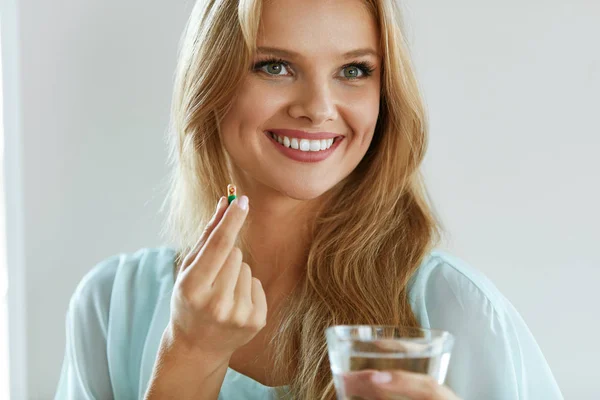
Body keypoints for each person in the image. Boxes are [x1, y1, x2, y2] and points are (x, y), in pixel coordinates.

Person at [54, 0, 564, 399]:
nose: (319, 109)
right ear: (210, 82)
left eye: (354, 70)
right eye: (275, 66)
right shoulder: (111, 307)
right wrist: (189, 354)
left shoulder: (455, 310)